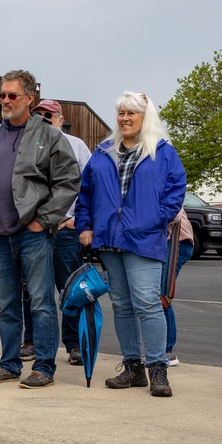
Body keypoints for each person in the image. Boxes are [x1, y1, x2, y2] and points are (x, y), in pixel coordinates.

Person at [0, 70, 80, 389]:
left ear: (29, 98)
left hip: (32, 234)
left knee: (41, 302)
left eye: (11, 95)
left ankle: (44, 367)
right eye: (1, 95)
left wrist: (42, 221)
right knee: (6, 305)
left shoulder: (49, 136)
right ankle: (8, 364)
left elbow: (69, 181)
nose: (5, 101)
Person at [76, 91, 186, 397]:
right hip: (110, 239)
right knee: (122, 306)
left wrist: (156, 219)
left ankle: (157, 369)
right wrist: (85, 225)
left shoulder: (163, 151)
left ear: (145, 117)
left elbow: (176, 190)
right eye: (121, 113)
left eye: (131, 113)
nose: (125, 118)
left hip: (144, 239)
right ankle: (133, 368)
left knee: (148, 303)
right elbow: (85, 193)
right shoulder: (103, 152)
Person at [22, 99, 93, 366]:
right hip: (33, 230)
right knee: (31, 290)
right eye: (37, 115)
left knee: (69, 289)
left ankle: (73, 344)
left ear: (59, 119)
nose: (43, 118)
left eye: (48, 115)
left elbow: (89, 187)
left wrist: (78, 220)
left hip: (65, 229)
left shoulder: (76, 146)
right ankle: (31, 341)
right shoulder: (25, 146)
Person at [161, 207, 194, 366]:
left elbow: (174, 212)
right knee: (158, 296)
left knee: (162, 296)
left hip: (176, 242)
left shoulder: (163, 184)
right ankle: (164, 349)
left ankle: (167, 352)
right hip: (174, 241)